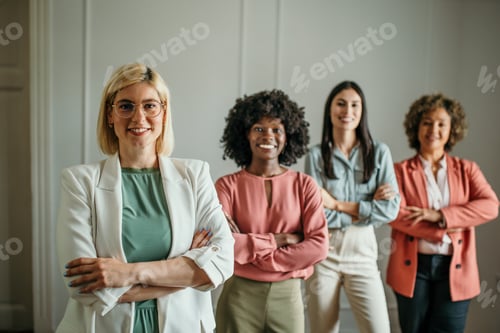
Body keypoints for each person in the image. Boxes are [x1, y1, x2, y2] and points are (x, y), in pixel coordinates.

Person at [55, 63, 234, 333]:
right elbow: (83, 287)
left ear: (163, 113)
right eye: (126, 106)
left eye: (150, 105)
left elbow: (221, 262)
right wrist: (186, 269)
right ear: (110, 115)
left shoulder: (195, 174)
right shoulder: (79, 182)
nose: (139, 117)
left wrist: (128, 273)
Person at [213, 89, 329, 333]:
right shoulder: (226, 186)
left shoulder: (305, 184)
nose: (268, 135)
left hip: (287, 296)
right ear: (245, 134)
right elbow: (223, 244)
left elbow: (318, 246)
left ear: (288, 137)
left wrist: (251, 251)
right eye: (259, 128)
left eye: (277, 129)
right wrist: (283, 240)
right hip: (239, 296)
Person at [386, 93, 499, 333]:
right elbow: (395, 215)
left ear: (452, 129)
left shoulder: (467, 169)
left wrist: (439, 216)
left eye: (441, 123)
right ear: (416, 126)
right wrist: (450, 228)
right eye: (427, 122)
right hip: (413, 270)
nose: (433, 129)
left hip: (457, 268)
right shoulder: (399, 171)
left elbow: (490, 206)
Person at [304, 80, 400, 333]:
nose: (348, 111)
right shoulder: (315, 156)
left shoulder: (379, 153)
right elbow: (314, 214)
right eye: (341, 104)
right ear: (330, 110)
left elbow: (390, 210)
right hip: (324, 255)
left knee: (379, 329)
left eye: (355, 105)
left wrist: (336, 204)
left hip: (363, 256)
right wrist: (367, 208)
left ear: (362, 111)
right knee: (322, 330)